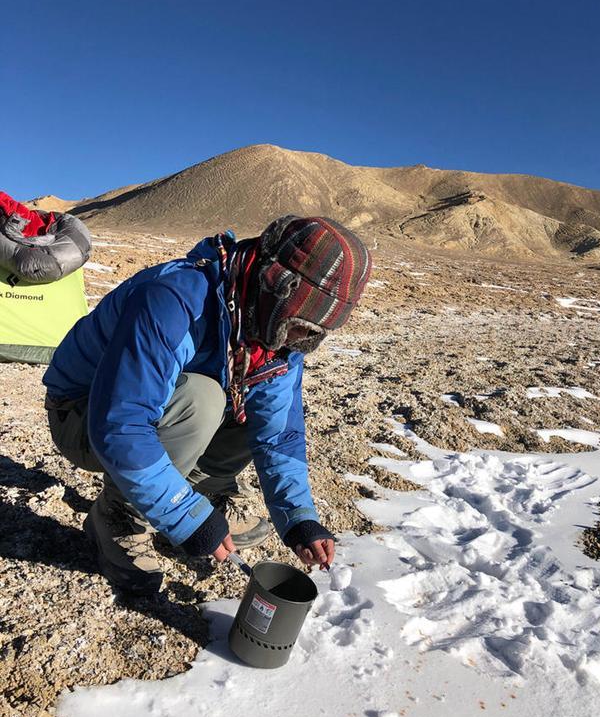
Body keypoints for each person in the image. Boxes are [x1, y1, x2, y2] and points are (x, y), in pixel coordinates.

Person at [43, 215, 372, 593]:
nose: (298, 339)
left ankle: (195, 495)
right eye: (300, 324)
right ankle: (120, 516)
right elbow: (122, 424)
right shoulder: (175, 299)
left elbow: (279, 434)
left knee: (251, 404)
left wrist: (299, 519)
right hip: (82, 415)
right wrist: (185, 517)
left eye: (314, 332)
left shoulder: (273, 328)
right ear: (275, 287)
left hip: (147, 414)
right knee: (203, 398)